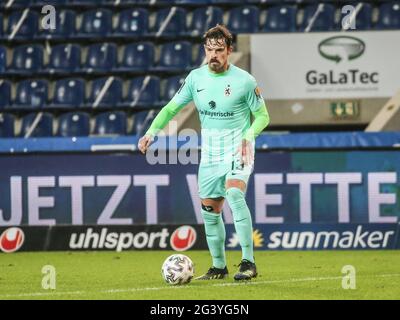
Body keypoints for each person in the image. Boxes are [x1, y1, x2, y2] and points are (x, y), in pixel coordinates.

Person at [138, 25, 270, 281]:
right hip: (210, 155)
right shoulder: (195, 78)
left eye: (219, 50)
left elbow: (263, 116)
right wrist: (151, 132)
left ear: (229, 51)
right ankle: (218, 267)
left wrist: (248, 137)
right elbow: (170, 109)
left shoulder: (245, 81)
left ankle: (248, 262)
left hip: (238, 149)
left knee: (234, 193)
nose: (214, 55)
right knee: (210, 211)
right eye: (209, 50)